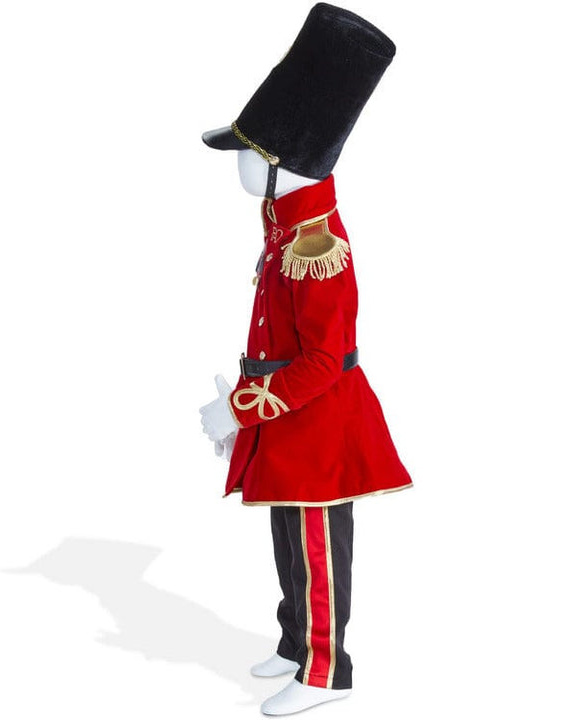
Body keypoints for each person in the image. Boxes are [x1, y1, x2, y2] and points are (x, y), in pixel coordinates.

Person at [198, 3, 413, 715]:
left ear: (283, 167)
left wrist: (240, 408)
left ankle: (325, 672)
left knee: (318, 545)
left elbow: (322, 361)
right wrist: (246, 403)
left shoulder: (317, 244)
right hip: (289, 417)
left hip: (319, 425)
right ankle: (296, 642)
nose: (238, 164)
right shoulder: (285, 229)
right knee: (287, 538)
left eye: (250, 154)